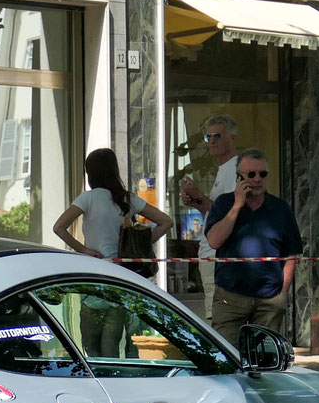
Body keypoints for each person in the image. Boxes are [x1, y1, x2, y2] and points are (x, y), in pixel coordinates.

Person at [54, 149, 173, 357]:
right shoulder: (127, 199)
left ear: (90, 173)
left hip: (94, 276)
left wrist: (83, 250)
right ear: (114, 171)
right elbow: (166, 221)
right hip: (122, 277)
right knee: (113, 343)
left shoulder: (87, 198)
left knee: (91, 345)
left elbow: (59, 227)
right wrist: (141, 245)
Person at [205, 148, 302, 342]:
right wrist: (237, 206)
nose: (257, 179)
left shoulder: (280, 208)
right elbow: (215, 241)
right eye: (250, 174)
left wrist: (282, 291)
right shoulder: (224, 203)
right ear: (238, 177)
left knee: (265, 357)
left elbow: (291, 253)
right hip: (230, 296)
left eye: (262, 174)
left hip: (269, 298)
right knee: (227, 354)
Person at [177, 115, 241, 294]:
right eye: (208, 137)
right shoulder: (224, 169)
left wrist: (199, 196)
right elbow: (213, 212)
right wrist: (196, 201)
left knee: (218, 319)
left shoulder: (236, 168)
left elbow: (229, 215)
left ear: (233, 138)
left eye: (218, 136)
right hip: (211, 257)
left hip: (221, 259)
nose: (212, 141)